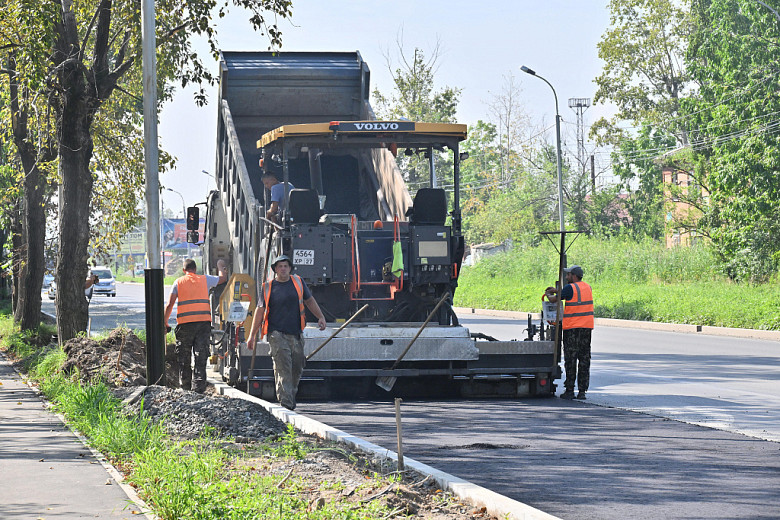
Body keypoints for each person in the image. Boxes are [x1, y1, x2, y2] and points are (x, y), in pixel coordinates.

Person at [247, 255, 327, 410]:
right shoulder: (268, 287)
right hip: (277, 334)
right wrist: (252, 335)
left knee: (296, 367)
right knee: (283, 368)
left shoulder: (298, 282)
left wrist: (320, 317)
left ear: (290, 268)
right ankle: (286, 406)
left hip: (296, 334)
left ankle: (290, 396)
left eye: (285, 266)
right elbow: (260, 311)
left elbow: (309, 301)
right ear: (275, 269)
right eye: (280, 266)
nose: (283, 269)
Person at [164, 258, 227, 392]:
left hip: (185, 325)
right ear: (195, 269)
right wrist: (220, 265)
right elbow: (222, 279)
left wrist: (164, 323)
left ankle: (185, 387)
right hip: (203, 324)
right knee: (201, 355)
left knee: (184, 357)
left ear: (183, 270)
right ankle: (198, 389)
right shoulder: (205, 279)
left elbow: (169, 304)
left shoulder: (178, 282)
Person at [545, 265, 594, 400]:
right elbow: (568, 293)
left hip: (572, 329)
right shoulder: (587, 287)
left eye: (568, 275)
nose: (566, 277)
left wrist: (549, 294)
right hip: (586, 328)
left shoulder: (570, 288)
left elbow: (554, 299)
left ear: (574, 276)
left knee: (571, 359)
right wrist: (557, 290)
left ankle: (570, 390)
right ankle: (582, 391)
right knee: (584, 359)